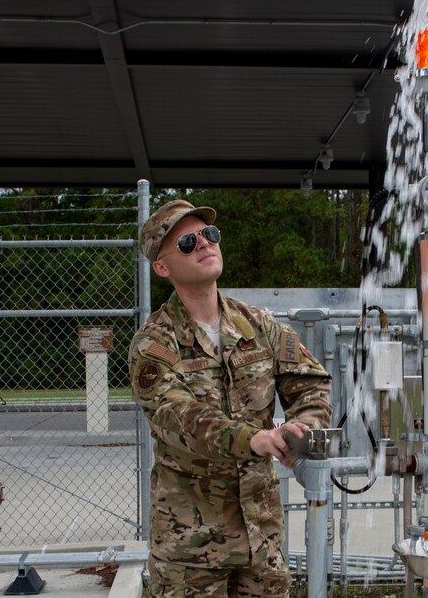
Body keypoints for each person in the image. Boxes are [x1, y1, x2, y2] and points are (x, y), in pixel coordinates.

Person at [129, 199, 332, 597]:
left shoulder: (257, 324)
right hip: (191, 550)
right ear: (162, 267)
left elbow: (309, 383)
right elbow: (180, 419)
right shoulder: (154, 344)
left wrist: (303, 428)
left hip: (261, 538)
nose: (205, 244)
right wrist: (252, 439)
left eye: (210, 234)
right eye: (188, 242)